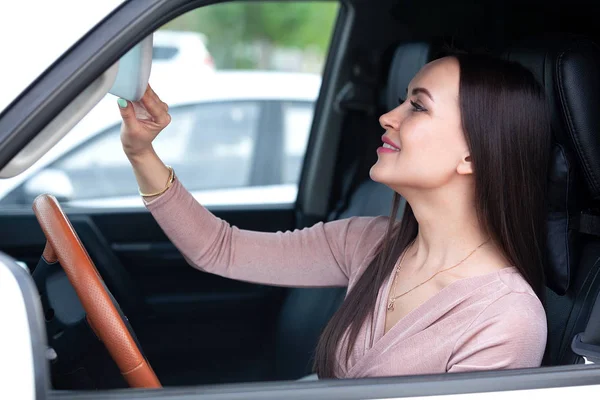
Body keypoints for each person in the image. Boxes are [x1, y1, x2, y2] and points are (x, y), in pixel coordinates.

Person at [117, 53, 551, 379]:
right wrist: (141, 153)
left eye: (417, 107)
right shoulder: (369, 242)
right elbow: (218, 249)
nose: (388, 117)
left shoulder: (506, 319)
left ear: (472, 154)